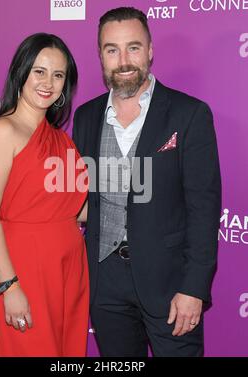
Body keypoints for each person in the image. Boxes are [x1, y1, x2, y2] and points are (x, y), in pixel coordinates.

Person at [72, 7, 221, 357]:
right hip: (104, 283)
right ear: (101, 55)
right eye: (112, 49)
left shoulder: (189, 114)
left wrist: (194, 288)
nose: (123, 60)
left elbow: (204, 208)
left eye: (133, 47)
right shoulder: (86, 116)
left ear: (150, 50)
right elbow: (80, 196)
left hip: (170, 285)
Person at [0, 33, 89, 357]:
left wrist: (141, 205)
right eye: (39, 71)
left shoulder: (62, 141)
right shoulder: (2, 132)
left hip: (69, 269)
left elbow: (75, 210)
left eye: (58, 75)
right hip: (22, 269)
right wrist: (9, 286)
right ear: (21, 72)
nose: (48, 83)